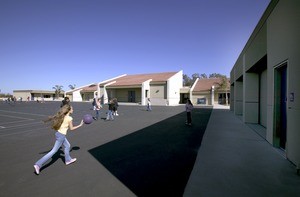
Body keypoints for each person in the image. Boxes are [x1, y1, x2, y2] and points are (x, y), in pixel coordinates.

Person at [33, 104, 84, 175]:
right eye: (72, 109)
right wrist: (80, 125)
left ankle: (68, 160)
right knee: (53, 151)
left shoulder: (63, 116)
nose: (73, 110)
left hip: (58, 134)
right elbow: (72, 128)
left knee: (67, 145)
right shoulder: (69, 118)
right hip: (61, 136)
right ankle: (38, 164)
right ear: (69, 110)